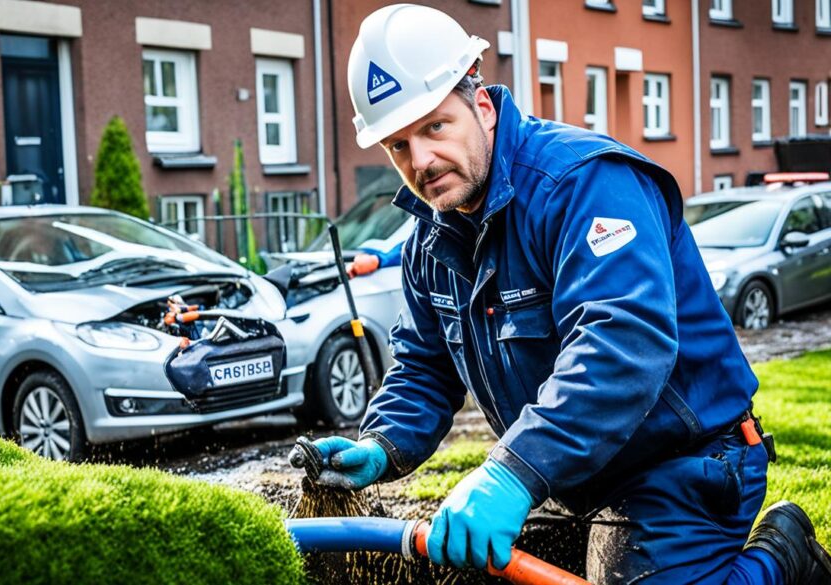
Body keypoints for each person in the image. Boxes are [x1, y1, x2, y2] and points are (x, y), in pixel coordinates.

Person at [291, 4, 831, 584]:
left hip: (685, 460)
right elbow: (424, 366)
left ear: (480, 104)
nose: (420, 161)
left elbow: (623, 342)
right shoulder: (431, 238)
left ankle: (784, 557)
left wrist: (512, 473)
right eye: (398, 146)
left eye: (433, 127)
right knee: (473, 573)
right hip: (573, 471)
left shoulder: (583, 184)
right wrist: (379, 445)